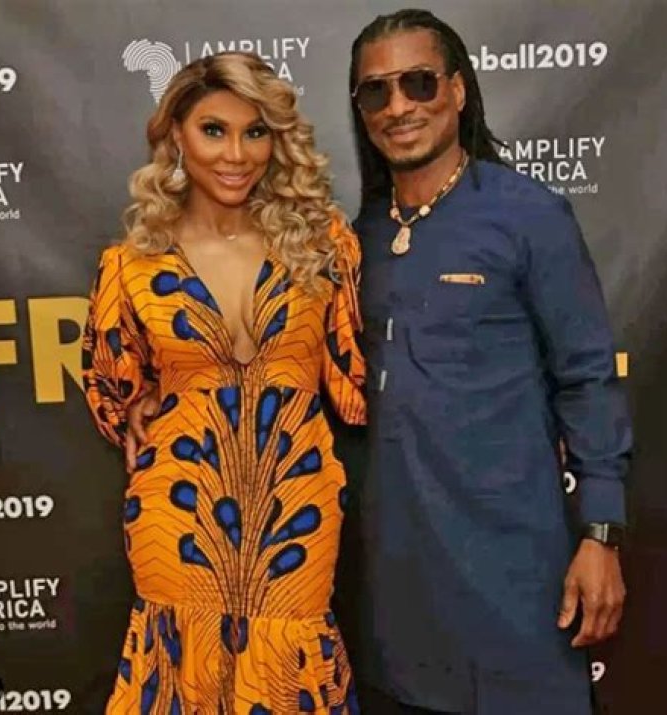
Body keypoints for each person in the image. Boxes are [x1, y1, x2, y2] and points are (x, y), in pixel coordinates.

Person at [347, 9, 632, 715]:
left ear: (458, 90)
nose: (398, 106)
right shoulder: (358, 238)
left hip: (516, 572)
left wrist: (600, 535)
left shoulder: (528, 215)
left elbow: (588, 378)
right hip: (396, 585)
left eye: (418, 82)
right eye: (376, 91)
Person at [82, 52, 364, 714]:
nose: (236, 154)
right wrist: (145, 401)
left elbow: (355, 386)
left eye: (255, 131)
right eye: (214, 130)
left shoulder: (322, 245)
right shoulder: (131, 267)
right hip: (177, 513)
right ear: (175, 134)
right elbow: (111, 389)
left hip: (297, 510)